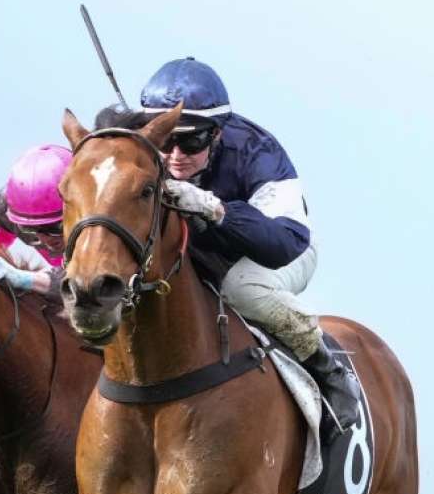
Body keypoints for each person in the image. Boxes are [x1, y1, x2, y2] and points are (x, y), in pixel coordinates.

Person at [134, 57, 362, 430]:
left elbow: (284, 243)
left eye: (190, 141)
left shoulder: (258, 153)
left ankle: (326, 369)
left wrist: (215, 209)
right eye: (166, 139)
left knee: (242, 287)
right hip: (201, 255)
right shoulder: (141, 142)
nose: (175, 156)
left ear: (217, 133)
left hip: (279, 252)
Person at [0, 144, 73, 298]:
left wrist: (25, 279)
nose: (45, 239)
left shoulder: (105, 214)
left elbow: (88, 283)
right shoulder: (4, 210)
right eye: (30, 228)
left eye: (55, 226)